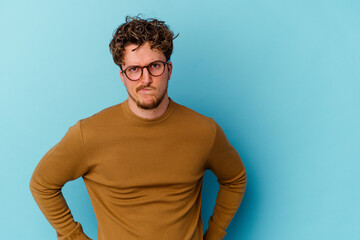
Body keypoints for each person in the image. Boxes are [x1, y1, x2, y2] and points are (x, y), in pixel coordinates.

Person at [30, 16, 247, 240]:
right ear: (123, 77)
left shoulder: (204, 131)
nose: (145, 79)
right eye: (134, 69)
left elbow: (235, 178)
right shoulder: (89, 134)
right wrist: (73, 236)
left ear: (169, 69)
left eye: (154, 66)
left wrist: (214, 235)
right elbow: (42, 184)